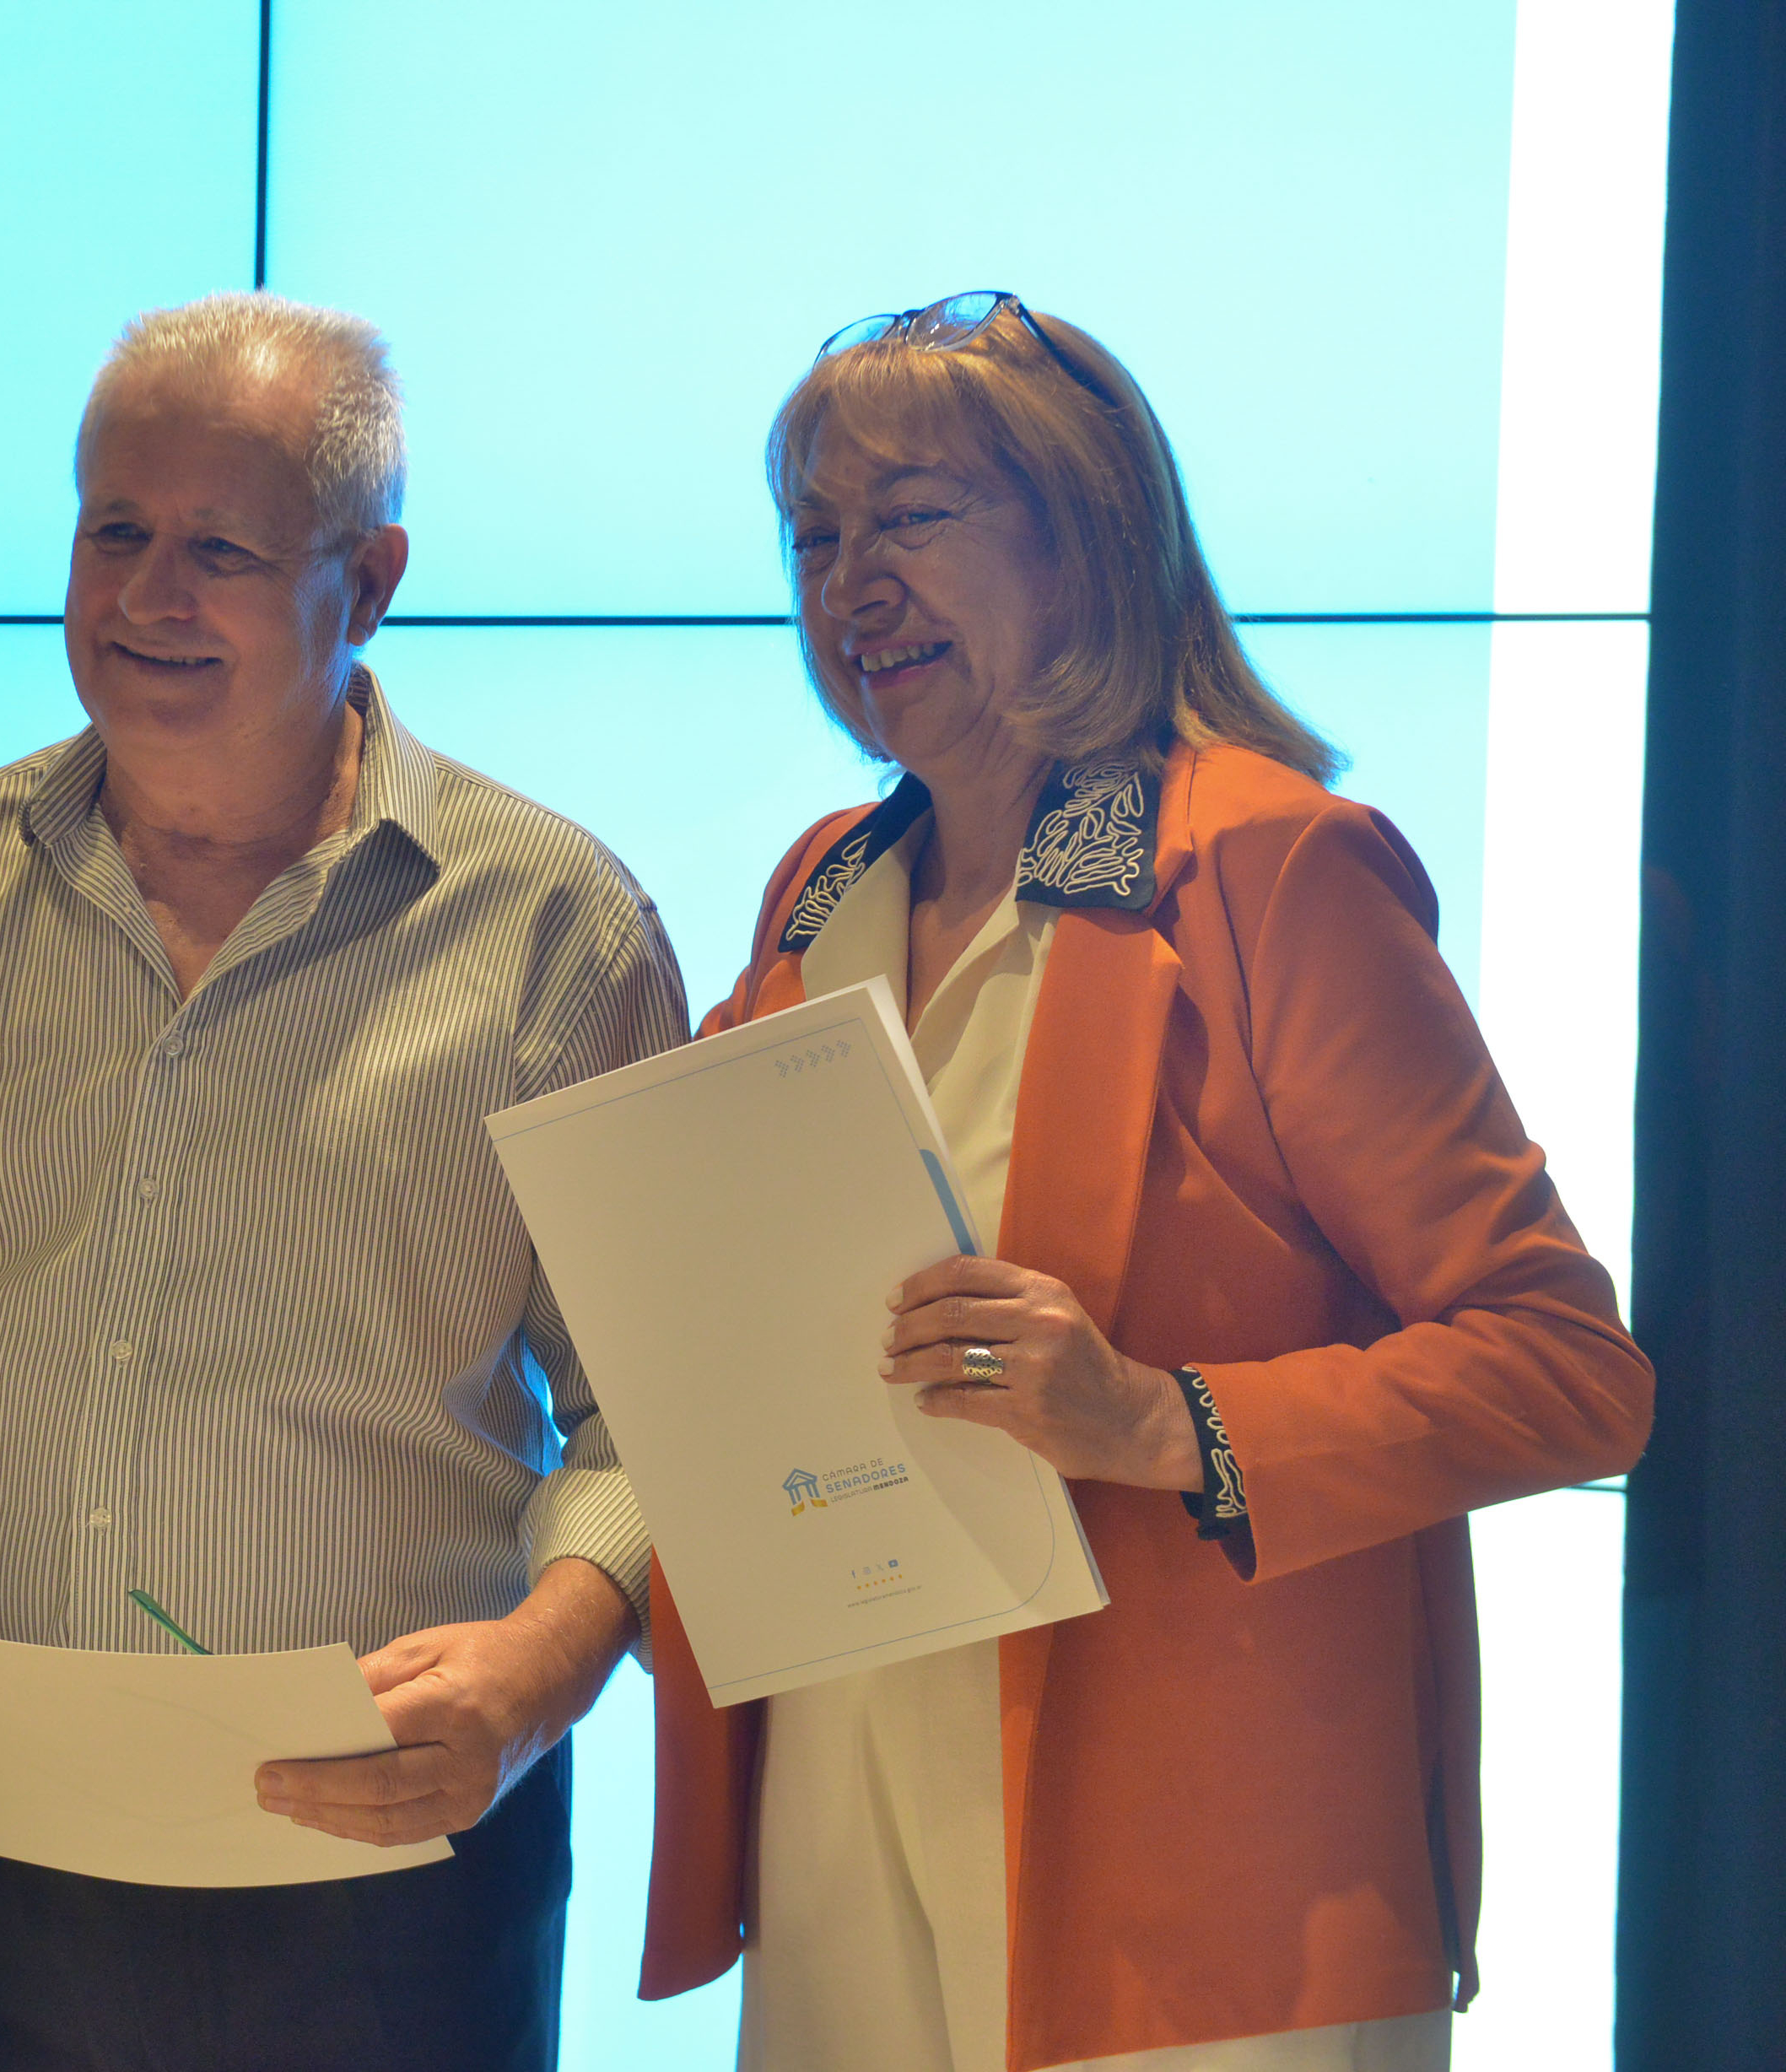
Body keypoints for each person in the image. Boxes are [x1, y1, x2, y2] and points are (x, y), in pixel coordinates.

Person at [0, 291, 686, 2071]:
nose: (145, 595)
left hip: (396, 1847)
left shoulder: (553, 923)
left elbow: (652, 1411)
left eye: (221, 550)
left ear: (371, 579)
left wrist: (540, 1671)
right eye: (113, 531)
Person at [636, 293, 1654, 2070]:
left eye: (913, 517)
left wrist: (1154, 1419)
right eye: (814, 534)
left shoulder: (1271, 864)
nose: (852, 582)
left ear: (1088, 538)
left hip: (1204, 1881)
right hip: (835, 1817)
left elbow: (1568, 1372)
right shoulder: (819, 887)